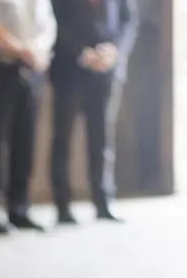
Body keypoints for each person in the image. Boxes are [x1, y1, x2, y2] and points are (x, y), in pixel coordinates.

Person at [0, 0, 53, 233]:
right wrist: (22, 50)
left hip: (32, 68)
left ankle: (19, 209)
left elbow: (47, 26)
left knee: (25, 141)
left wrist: (37, 51)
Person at [47, 0, 134, 224]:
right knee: (63, 138)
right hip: (69, 69)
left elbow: (128, 20)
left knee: (102, 137)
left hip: (107, 71)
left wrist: (114, 50)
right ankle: (63, 205)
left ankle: (103, 200)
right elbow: (55, 19)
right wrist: (84, 53)